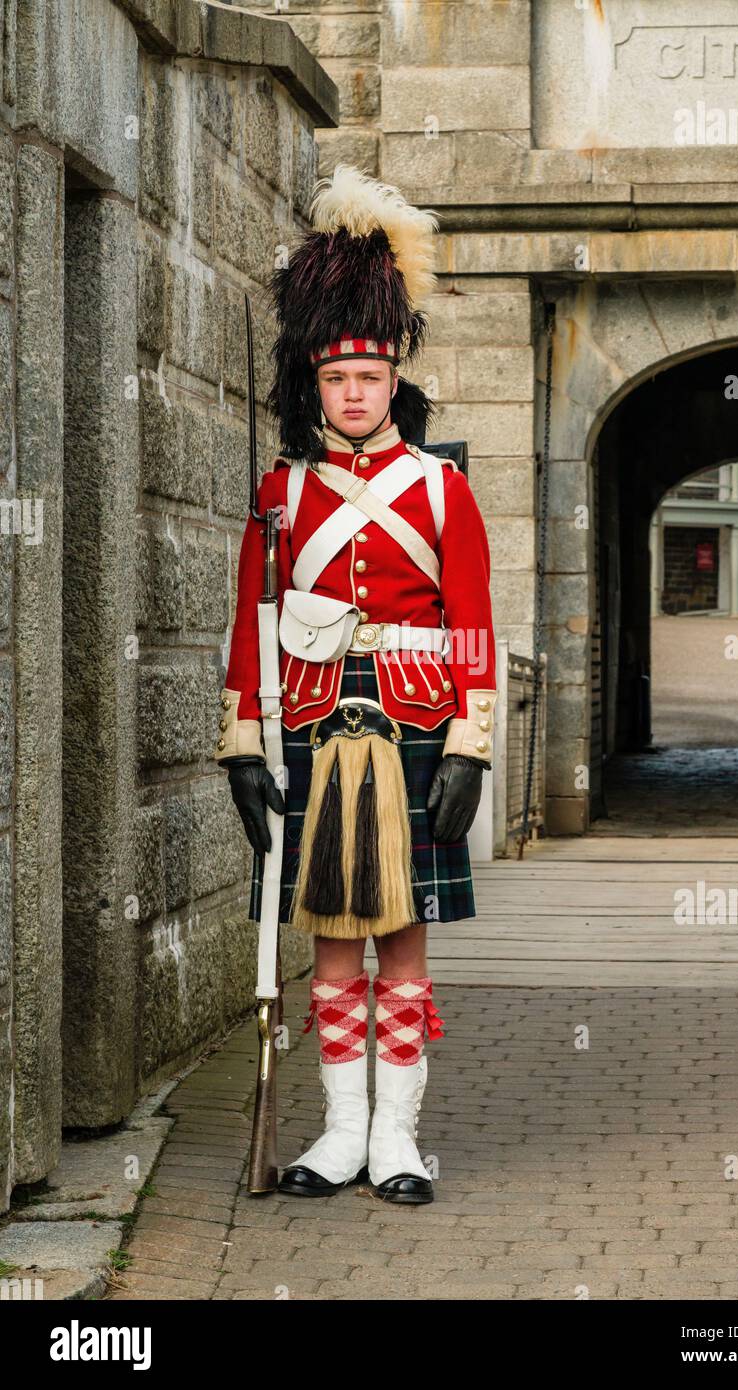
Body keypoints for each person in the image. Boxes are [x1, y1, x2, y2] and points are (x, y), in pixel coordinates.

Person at [213, 166, 497, 1205]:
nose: (354, 394)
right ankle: (337, 1134)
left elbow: (471, 623)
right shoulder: (280, 494)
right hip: (316, 730)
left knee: (404, 941)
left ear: (394, 381)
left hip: (419, 722)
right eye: (336, 378)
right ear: (314, 384)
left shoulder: (441, 488)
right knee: (333, 942)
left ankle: (398, 1139)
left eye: (370, 377)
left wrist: (468, 744)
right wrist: (242, 745)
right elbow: (248, 629)